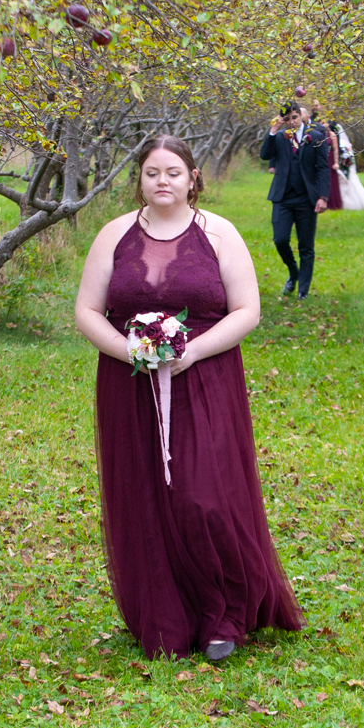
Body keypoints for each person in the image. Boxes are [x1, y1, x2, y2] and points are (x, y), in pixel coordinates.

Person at [75, 135, 303, 662]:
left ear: (192, 178)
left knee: (205, 496)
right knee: (145, 497)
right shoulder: (113, 235)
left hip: (206, 379)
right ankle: (165, 618)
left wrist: (192, 351)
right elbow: (87, 311)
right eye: (152, 172)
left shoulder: (219, 234)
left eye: (173, 172)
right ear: (140, 179)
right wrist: (130, 350)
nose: (163, 181)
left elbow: (247, 310)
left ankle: (224, 615)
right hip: (129, 384)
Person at [259, 102, 330, 299]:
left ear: (300, 116)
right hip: (282, 197)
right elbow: (265, 155)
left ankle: (303, 292)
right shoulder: (279, 137)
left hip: (307, 198)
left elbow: (323, 168)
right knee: (280, 239)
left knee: (306, 246)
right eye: (287, 119)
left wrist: (323, 197)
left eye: (294, 118)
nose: (291, 122)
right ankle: (293, 272)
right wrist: (273, 130)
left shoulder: (316, 136)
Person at [335, 123, 364, 211]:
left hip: (346, 166)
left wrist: (345, 163)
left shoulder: (343, 143)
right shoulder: (342, 142)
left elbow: (349, 156)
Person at [324, 122, 343, 211]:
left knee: (331, 180)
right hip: (322, 158)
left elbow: (335, 149)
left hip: (330, 158)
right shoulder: (318, 133)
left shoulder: (332, 135)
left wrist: (336, 162)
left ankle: (333, 203)